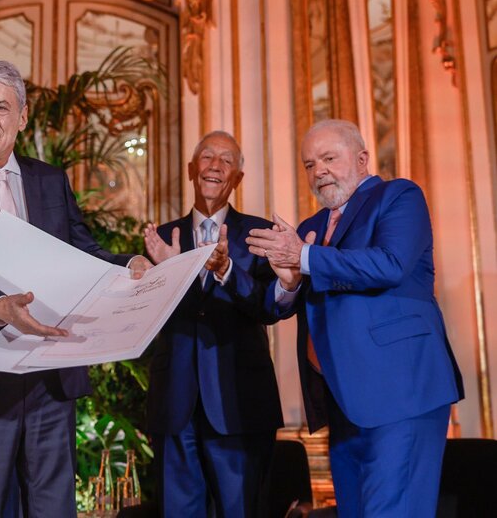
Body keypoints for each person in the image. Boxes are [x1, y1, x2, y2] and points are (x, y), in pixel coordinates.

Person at [0, 59, 151, 518]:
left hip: (48, 378)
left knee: (52, 509)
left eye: (0, 107)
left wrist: (128, 266)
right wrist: (0, 306)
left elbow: (82, 251)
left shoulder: (50, 179)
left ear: (22, 118)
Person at [245, 119, 463, 517]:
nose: (319, 171)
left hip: (401, 392)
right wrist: (290, 281)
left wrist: (304, 257)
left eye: (329, 158)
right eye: (310, 164)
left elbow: (391, 264)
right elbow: (278, 306)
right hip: (342, 402)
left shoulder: (398, 196)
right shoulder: (309, 228)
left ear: (362, 159)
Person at [143, 131, 282, 518]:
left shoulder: (260, 234)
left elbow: (269, 308)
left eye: (226, 160)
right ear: (192, 169)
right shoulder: (160, 238)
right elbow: (145, 316)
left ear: (237, 177)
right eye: (207, 156)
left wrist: (227, 271)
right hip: (175, 403)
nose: (215, 165)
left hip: (239, 401)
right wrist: (168, 273)